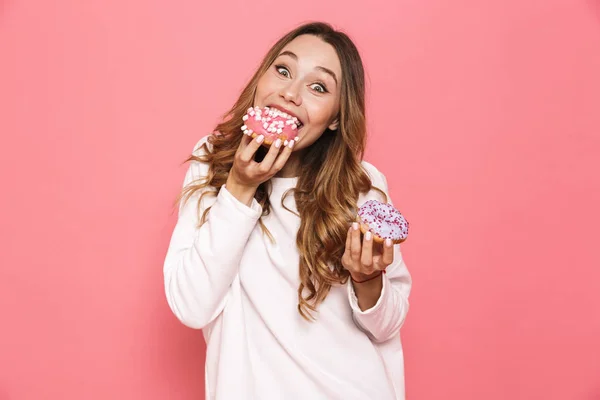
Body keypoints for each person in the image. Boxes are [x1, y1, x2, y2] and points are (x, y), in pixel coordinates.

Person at [163, 21, 412, 400]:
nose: (290, 93)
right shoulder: (212, 163)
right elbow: (191, 305)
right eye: (283, 70)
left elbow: (388, 325)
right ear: (261, 80)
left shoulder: (360, 184)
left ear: (334, 118)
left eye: (318, 87)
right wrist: (240, 187)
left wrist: (367, 280)